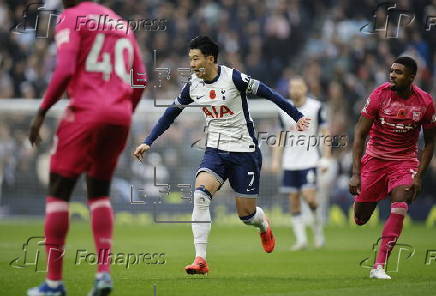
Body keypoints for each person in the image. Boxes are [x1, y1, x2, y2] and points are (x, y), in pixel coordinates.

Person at [134, 36, 310, 275]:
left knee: (246, 215)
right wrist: (148, 141)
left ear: (211, 58)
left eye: (196, 59)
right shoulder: (192, 86)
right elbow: (169, 114)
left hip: (245, 152)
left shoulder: (234, 78)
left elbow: (269, 93)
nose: (192, 64)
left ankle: (262, 224)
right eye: (190, 59)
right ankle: (200, 259)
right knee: (200, 196)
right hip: (215, 150)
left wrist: (297, 115)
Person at [27, 1, 146, 295]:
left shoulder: (71, 17)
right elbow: (141, 78)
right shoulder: (120, 23)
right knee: (99, 191)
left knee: (59, 190)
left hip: (85, 113)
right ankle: (103, 274)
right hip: (119, 117)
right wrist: (122, 109)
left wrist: (42, 111)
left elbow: (65, 69)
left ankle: (53, 284)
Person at [349, 57, 435, 279]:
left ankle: (379, 266)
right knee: (360, 218)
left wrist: (419, 177)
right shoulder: (380, 95)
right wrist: (356, 174)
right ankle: (373, 194)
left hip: (404, 162)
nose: (392, 75)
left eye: (398, 72)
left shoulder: (425, 102)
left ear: (411, 77)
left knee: (400, 204)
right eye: (391, 71)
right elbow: (359, 133)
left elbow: (431, 142)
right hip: (375, 161)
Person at [272, 77, 331, 250]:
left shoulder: (316, 107)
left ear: (305, 88)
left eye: (299, 87)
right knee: (294, 201)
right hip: (290, 162)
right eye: (292, 87)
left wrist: (326, 157)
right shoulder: (283, 109)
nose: (295, 90)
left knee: (310, 198)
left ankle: (318, 232)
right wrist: (276, 159)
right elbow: (280, 136)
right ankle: (301, 240)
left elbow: (325, 132)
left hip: (310, 159)